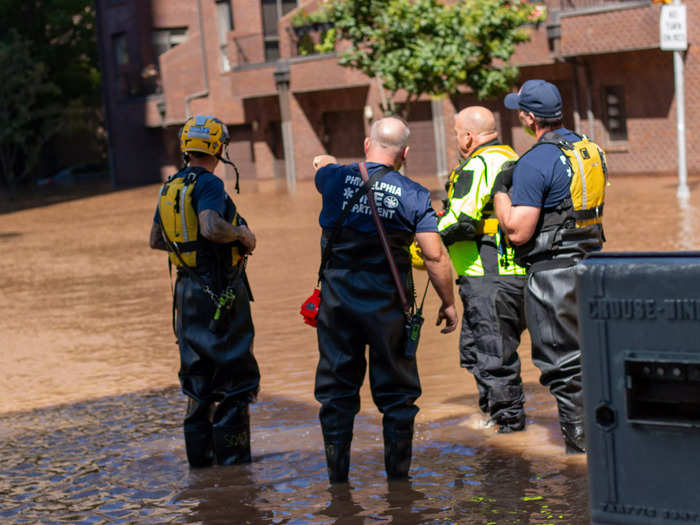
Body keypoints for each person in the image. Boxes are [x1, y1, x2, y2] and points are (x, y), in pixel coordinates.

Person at [312, 116, 458, 483]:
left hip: (337, 304)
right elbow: (434, 256)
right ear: (405, 154)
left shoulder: (333, 179)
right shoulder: (414, 195)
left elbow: (323, 165)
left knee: (336, 393)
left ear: (366, 145)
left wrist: (325, 160)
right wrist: (448, 302)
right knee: (397, 396)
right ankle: (398, 484)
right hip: (387, 306)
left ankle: (338, 484)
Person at [493, 80, 607, 453]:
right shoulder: (589, 149)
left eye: (520, 112)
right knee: (595, 358)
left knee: (564, 368)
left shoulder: (534, 161)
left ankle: (582, 459)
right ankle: (608, 442)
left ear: (529, 118)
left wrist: (500, 192)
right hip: (594, 267)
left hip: (553, 276)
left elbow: (518, 231)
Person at [149, 115, 260, 467]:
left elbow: (155, 240)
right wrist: (243, 235)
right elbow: (212, 227)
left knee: (198, 383)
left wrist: (188, 251)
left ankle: (201, 471)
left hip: (187, 294)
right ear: (218, 148)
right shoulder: (210, 184)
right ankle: (235, 473)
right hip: (220, 292)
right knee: (234, 380)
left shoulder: (170, 186)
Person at [437, 106, 527, 433]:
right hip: (514, 275)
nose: (456, 140)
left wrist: (422, 240)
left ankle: (508, 439)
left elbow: (460, 220)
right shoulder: (514, 158)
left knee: (493, 361)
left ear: (468, 136)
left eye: (456, 133)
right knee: (480, 354)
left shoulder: (477, 165)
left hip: (487, 278)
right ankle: (496, 422)